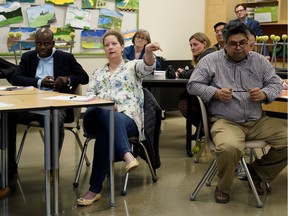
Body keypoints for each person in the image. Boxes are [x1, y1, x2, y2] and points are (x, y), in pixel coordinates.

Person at [187, 22, 287, 204]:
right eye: (233, 43)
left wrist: (264, 94)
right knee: (229, 147)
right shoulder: (210, 61)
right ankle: (223, 187)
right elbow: (193, 85)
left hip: (257, 121)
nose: (239, 47)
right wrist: (215, 93)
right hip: (226, 121)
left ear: (250, 42)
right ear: (224, 43)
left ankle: (257, 173)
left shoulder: (260, 61)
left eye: (243, 42)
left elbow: (275, 83)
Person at [76, 30, 162, 206]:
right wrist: (105, 104)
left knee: (105, 131)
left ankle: (94, 190)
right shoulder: (98, 72)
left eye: (114, 43)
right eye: (107, 45)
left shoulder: (132, 66)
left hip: (127, 119)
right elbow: (89, 96)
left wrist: (148, 51)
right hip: (95, 116)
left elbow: (147, 66)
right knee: (105, 111)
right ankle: (126, 154)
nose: (110, 47)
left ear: (123, 47)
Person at [8, 27, 89, 180]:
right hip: (31, 103)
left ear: (52, 43)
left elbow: (83, 77)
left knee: (54, 117)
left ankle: (52, 166)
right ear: (35, 44)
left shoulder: (66, 57)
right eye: (39, 44)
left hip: (57, 102)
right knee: (8, 115)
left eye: (46, 44)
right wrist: (38, 82)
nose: (42, 48)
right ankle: (10, 167)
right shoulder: (28, 57)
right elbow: (16, 78)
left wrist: (67, 79)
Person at [176, 32, 216, 127]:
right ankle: (202, 129)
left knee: (184, 101)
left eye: (195, 44)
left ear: (204, 44)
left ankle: (204, 128)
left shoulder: (208, 54)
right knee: (185, 97)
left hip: (211, 96)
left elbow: (195, 72)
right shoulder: (208, 54)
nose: (192, 48)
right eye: (190, 45)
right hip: (210, 93)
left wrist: (182, 72)